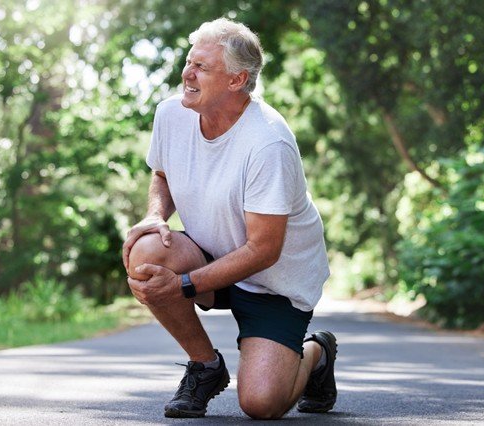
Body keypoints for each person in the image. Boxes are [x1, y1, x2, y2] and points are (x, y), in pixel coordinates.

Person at [122, 17, 337, 420]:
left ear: (237, 80)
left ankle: (315, 354)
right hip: (210, 253)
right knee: (148, 250)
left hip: (273, 281)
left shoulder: (268, 142)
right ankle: (205, 366)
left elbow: (264, 250)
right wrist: (155, 215)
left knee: (262, 404)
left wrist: (184, 285)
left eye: (202, 67)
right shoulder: (171, 114)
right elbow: (162, 173)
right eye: (189, 62)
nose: (187, 73)